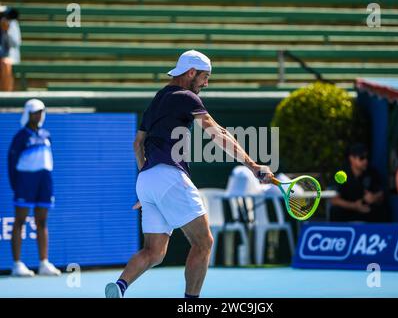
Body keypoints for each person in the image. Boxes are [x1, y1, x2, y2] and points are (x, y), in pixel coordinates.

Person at [105, 50, 273, 298]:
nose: (206, 84)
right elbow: (218, 134)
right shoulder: (186, 96)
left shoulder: (159, 97)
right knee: (203, 242)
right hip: (169, 176)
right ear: (191, 73)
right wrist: (253, 165)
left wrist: (148, 182)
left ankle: (120, 286)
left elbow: (137, 143)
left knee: (154, 251)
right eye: (205, 77)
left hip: (146, 179)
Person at [7, 99, 61, 277]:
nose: (39, 115)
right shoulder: (20, 136)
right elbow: (11, 163)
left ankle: (44, 263)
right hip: (25, 183)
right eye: (36, 112)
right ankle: (16, 265)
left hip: (44, 183)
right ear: (28, 113)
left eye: (41, 112)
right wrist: (17, 185)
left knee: (42, 222)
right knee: (20, 221)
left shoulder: (46, 134)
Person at [330, 143, 388, 222]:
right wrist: (354, 206)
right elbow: (334, 200)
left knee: (383, 210)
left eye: (367, 158)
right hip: (348, 209)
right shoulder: (341, 174)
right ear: (351, 158)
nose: (365, 161)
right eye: (361, 158)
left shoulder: (371, 172)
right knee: (335, 211)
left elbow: (381, 193)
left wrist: (374, 197)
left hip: (366, 209)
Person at [0, 7, 13, 91]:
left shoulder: (11, 23)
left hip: (6, 56)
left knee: (6, 63)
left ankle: (6, 94)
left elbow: (14, 44)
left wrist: (6, 32)